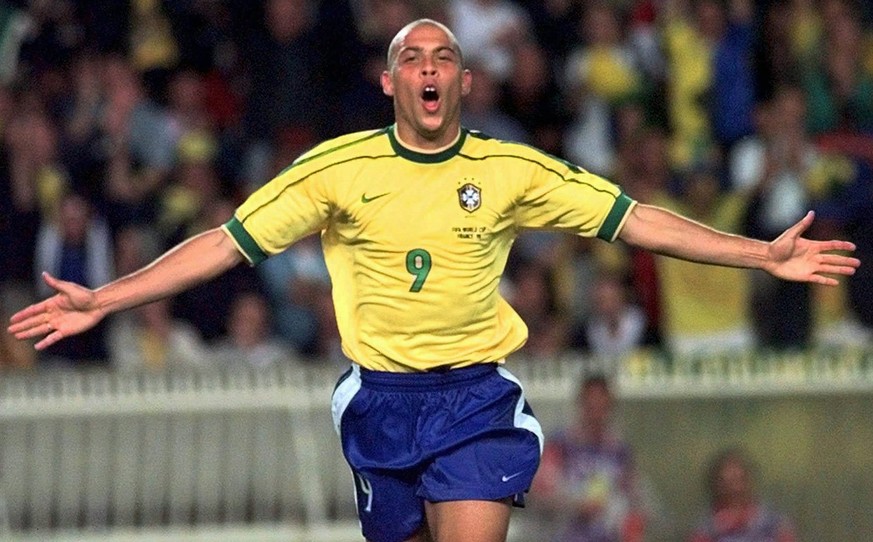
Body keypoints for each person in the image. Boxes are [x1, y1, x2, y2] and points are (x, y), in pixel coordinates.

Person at [6, 18, 860, 542]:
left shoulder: (511, 168)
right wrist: (106, 298)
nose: (427, 66)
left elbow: (634, 217)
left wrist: (760, 253)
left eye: (442, 55)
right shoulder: (334, 170)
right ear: (389, 82)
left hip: (475, 400)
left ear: (460, 80)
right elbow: (227, 245)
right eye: (411, 55)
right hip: (380, 403)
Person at [530, 374, 650, 542]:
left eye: (602, 406)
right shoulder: (561, 444)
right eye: (591, 405)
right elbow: (540, 492)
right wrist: (577, 504)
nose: (596, 413)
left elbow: (634, 496)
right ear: (581, 404)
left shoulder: (619, 450)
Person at [688, 447, 797, 542]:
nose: (735, 488)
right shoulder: (707, 527)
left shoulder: (773, 522)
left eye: (739, 480)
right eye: (727, 482)